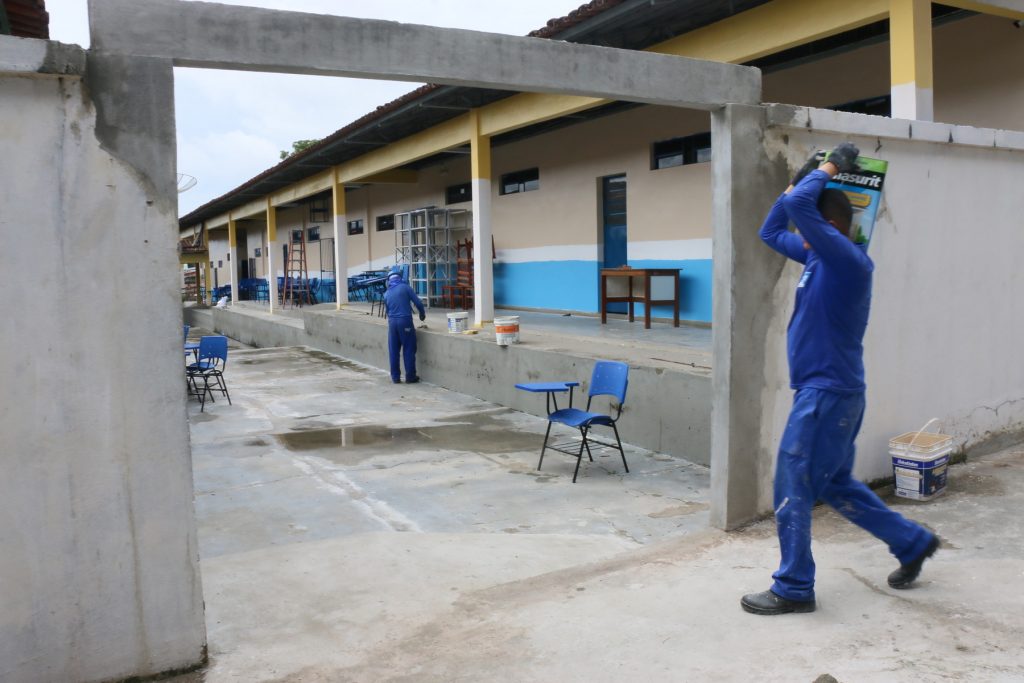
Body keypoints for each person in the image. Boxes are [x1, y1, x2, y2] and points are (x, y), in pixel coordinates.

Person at [742, 143, 939, 616]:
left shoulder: (848, 262)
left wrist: (828, 167)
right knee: (834, 485)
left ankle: (794, 587)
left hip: (826, 394)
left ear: (828, 227)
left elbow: (797, 207)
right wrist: (799, 179)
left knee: (792, 481)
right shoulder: (817, 258)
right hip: (831, 393)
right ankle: (912, 543)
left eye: (809, 227)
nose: (800, 236)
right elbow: (771, 230)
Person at [383, 265, 426, 384]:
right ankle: (410, 376)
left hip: (392, 323)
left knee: (393, 350)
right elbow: (418, 303)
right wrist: (422, 314)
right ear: (400, 278)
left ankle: (395, 377)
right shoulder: (405, 288)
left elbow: (387, 311)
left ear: (389, 280)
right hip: (405, 322)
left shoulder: (386, 293)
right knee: (408, 348)